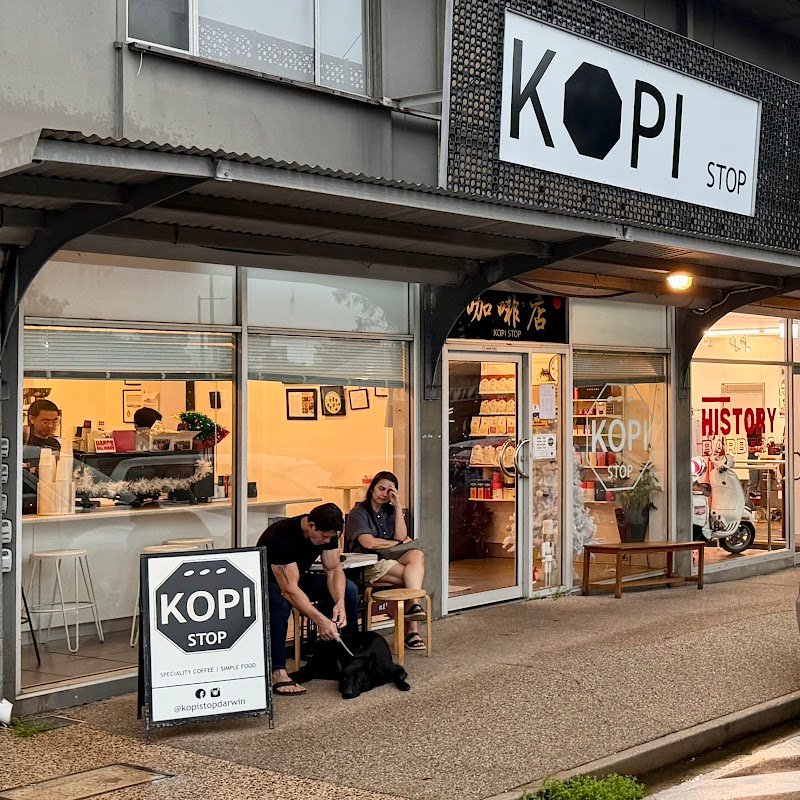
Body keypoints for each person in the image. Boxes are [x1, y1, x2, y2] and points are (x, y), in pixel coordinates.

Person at [258, 502, 358, 696]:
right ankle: (277, 671)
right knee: (279, 603)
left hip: (296, 579)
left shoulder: (327, 533)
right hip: (268, 582)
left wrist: (340, 603)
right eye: (324, 536)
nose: (326, 540)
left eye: (330, 537)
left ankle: (343, 660)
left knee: (349, 590)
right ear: (311, 526)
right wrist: (321, 621)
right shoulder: (281, 535)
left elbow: (333, 569)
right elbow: (289, 590)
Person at [345, 471, 427, 652]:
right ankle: (412, 629)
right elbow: (369, 542)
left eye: (389, 491)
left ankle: (413, 605)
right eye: (381, 488)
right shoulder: (358, 512)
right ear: (372, 488)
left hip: (390, 559)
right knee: (411, 577)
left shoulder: (389, 511)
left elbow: (402, 536)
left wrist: (397, 507)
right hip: (369, 564)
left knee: (417, 556)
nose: (384, 494)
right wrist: (397, 544)